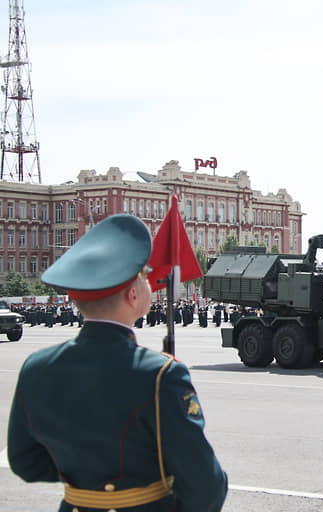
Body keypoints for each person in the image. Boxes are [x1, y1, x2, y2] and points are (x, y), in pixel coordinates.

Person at [7, 214, 228, 511]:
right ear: (133, 294)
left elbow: (25, 462)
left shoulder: (37, 367)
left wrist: (86, 475)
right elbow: (205, 484)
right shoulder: (161, 375)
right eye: (144, 275)